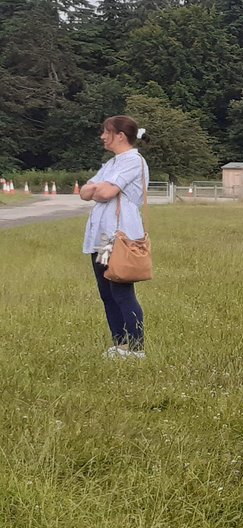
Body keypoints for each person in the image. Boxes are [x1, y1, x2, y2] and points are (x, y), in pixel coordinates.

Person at [80, 115, 150, 359]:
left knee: (121, 291)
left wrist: (98, 188)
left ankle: (136, 347)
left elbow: (105, 193)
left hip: (119, 237)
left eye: (106, 132)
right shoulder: (112, 163)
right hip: (102, 239)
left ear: (120, 135)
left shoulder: (133, 161)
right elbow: (85, 192)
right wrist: (96, 188)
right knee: (107, 293)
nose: (102, 136)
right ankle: (120, 344)